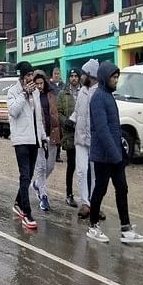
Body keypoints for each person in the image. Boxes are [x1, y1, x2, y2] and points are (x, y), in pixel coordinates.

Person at [86, 62, 143, 244]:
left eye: (117, 77)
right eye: (113, 77)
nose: (116, 80)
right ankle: (93, 225)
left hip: (114, 153)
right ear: (105, 77)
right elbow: (102, 129)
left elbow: (114, 128)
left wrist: (120, 150)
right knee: (101, 189)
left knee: (122, 188)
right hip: (103, 155)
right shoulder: (98, 98)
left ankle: (126, 228)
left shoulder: (108, 96)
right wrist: (115, 154)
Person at [8, 61, 46, 229]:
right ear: (22, 77)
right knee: (24, 175)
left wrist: (43, 137)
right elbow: (13, 112)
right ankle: (27, 213)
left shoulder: (36, 93)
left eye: (32, 75)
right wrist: (23, 94)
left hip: (34, 139)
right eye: (28, 75)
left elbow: (38, 117)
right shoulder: (13, 92)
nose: (31, 79)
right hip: (21, 139)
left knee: (29, 176)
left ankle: (18, 202)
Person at [70, 59, 102, 220]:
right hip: (80, 139)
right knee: (81, 171)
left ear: (91, 75)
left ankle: (96, 204)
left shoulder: (99, 92)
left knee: (96, 174)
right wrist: (71, 120)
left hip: (95, 140)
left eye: (83, 74)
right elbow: (77, 111)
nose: (81, 76)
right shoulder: (82, 92)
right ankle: (85, 203)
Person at [31, 70, 62, 211]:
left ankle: (37, 184)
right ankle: (43, 197)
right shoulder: (31, 98)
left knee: (50, 166)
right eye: (36, 83)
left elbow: (57, 114)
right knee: (41, 167)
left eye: (41, 83)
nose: (39, 86)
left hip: (53, 135)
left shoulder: (51, 95)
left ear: (45, 82)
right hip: (39, 137)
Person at [57, 68, 80, 208]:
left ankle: (87, 196)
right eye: (71, 76)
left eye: (76, 76)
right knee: (71, 165)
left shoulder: (84, 92)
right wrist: (66, 121)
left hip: (83, 133)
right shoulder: (63, 94)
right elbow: (58, 112)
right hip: (70, 133)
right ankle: (69, 194)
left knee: (84, 167)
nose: (73, 78)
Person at [50, 67, 64, 162]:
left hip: (61, 112)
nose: (56, 75)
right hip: (52, 112)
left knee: (60, 135)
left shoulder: (63, 85)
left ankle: (58, 154)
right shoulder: (49, 85)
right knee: (54, 134)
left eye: (58, 73)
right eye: (55, 73)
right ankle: (53, 154)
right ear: (52, 74)